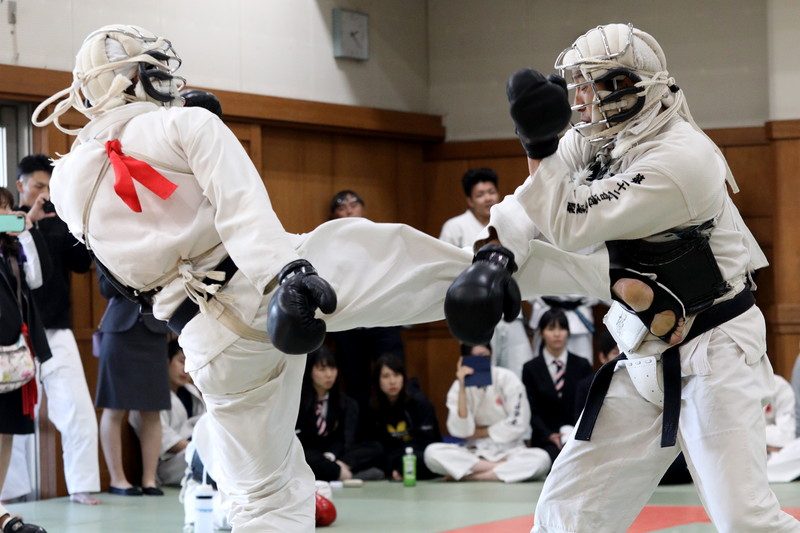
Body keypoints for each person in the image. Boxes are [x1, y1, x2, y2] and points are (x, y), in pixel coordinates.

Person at [33, 24, 618, 532]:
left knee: (265, 500)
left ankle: (570, 265)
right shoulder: (187, 126)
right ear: (134, 79)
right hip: (283, 283)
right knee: (462, 269)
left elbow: (120, 278)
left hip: (210, 341)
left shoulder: (63, 182)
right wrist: (287, 275)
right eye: (152, 70)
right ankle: (610, 276)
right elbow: (245, 216)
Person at [444, 22, 798, 532]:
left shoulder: (683, 160)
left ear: (630, 87)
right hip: (644, 350)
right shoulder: (598, 138)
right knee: (567, 512)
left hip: (715, 349)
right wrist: (495, 254)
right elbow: (527, 205)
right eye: (578, 87)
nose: (582, 101)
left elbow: (566, 222)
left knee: (744, 519)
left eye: (593, 86)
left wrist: (536, 142)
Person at [14, 154, 100, 505]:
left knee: (77, 409)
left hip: (56, 328)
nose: (43, 194)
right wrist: (25, 222)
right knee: (14, 415)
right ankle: (12, 492)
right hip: (14, 335)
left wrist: (74, 219)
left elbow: (82, 265)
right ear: (21, 185)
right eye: (37, 186)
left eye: (50, 187)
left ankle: (82, 485)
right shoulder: (10, 220)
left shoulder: (59, 219)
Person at [439, 169, 533, 378]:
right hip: (473, 314)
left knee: (520, 373)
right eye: (480, 194)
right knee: (479, 378)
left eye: (491, 192)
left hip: (509, 310)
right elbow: (445, 270)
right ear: (469, 201)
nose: (487, 198)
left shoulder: (510, 221)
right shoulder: (454, 227)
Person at [326, 190, 406, 410]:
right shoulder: (330, 245)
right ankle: (360, 437)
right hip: (349, 322)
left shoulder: (381, 238)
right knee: (355, 383)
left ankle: (397, 432)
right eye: (342, 207)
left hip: (383, 319)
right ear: (334, 216)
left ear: (364, 209)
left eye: (354, 204)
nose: (349, 209)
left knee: (394, 375)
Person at [424, 344, 551, 482]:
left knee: (542, 459)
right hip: (474, 452)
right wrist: (462, 385)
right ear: (464, 360)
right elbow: (461, 431)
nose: (481, 361)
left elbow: (519, 422)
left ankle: (471, 477)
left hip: (509, 450)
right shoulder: (458, 386)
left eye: (485, 356)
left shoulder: (507, 378)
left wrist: (481, 432)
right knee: (431, 453)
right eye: (475, 357)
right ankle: (498, 470)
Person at [0, 187, 49, 532]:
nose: (4, 215)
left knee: (7, 432)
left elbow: (37, 280)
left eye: (6, 208)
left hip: (16, 354)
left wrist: (26, 233)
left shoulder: (13, 249)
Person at [96, 269, 170, 496]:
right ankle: (118, 479)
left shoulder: (157, 243)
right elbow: (105, 289)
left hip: (154, 329)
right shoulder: (106, 244)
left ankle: (149, 478)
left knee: (153, 409)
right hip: (118, 330)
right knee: (114, 407)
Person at [295, 347, 383, 482]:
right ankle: (343, 475)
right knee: (304, 456)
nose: (329, 374)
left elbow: (343, 439)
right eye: (322, 369)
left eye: (332, 368)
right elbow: (298, 440)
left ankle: (338, 469)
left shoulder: (344, 402)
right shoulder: (298, 401)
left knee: (375, 447)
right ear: (310, 371)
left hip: (333, 455)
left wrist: (332, 456)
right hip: (308, 454)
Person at [129, 339, 205, 486]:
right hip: (170, 463)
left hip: (193, 449)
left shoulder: (192, 392)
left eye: (189, 364)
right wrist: (199, 447)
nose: (186, 369)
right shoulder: (150, 397)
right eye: (181, 361)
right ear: (166, 361)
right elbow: (166, 440)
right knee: (209, 457)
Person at [521, 309, 592, 462]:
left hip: (577, 437)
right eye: (551, 328)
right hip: (545, 440)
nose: (557, 334)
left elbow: (588, 406)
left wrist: (576, 433)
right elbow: (530, 409)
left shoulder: (582, 365)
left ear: (568, 332)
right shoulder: (531, 368)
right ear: (541, 332)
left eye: (562, 328)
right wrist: (548, 435)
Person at [364, 353, 441, 481]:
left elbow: (424, 441)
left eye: (396, 375)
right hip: (390, 457)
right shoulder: (373, 407)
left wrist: (396, 459)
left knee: (428, 458)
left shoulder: (419, 403)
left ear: (404, 378)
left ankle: (399, 469)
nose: (392, 381)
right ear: (377, 380)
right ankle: (397, 470)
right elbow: (372, 442)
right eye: (386, 376)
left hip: (418, 453)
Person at [529, 296, 598, 363]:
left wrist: (596, 296)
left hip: (579, 321)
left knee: (582, 366)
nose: (557, 334)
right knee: (541, 365)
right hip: (545, 309)